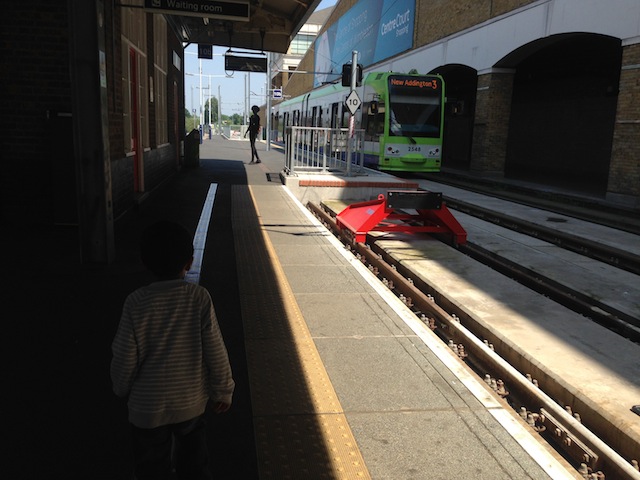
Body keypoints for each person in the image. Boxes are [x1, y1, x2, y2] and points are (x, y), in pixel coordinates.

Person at [111, 220, 235, 480]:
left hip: (147, 408)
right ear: (189, 262)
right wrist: (223, 390)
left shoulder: (135, 302)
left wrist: (121, 387)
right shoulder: (199, 298)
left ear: (144, 263)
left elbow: (124, 356)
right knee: (194, 465)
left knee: (151, 468)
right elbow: (215, 349)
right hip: (189, 403)